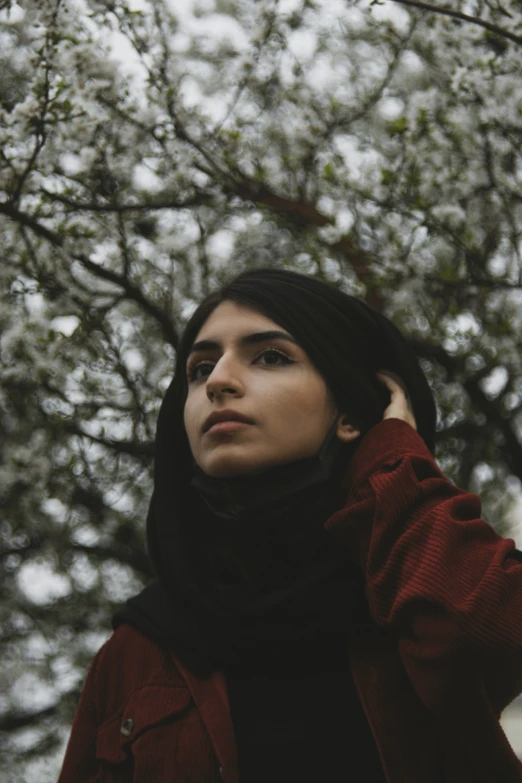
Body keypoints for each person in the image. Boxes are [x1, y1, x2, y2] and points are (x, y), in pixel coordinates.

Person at [57, 266, 522, 783]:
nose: (218, 382)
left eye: (271, 357)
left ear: (350, 411)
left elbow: (492, 638)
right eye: (199, 368)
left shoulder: (408, 601)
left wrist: (392, 462)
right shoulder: (136, 654)